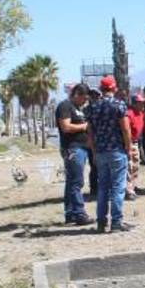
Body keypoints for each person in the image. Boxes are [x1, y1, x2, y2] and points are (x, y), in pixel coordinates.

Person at [86, 76, 133, 233]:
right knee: (118, 188)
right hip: (116, 151)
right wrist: (129, 147)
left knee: (103, 188)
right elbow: (126, 129)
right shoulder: (119, 105)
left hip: (100, 151)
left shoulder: (93, 107)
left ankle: (101, 222)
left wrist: (93, 151)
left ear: (101, 88)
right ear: (114, 88)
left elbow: (90, 132)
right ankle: (116, 222)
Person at [55, 84, 92, 225]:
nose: (85, 102)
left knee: (71, 182)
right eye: (84, 98)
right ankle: (79, 213)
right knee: (77, 182)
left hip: (81, 148)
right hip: (72, 149)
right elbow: (65, 127)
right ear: (77, 94)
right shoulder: (65, 106)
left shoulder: (78, 109)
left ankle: (70, 213)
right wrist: (84, 126)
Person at [125, 94, 145, 201]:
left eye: (143, 102)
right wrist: (128, 145)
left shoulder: (141, 114)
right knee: (129, 167)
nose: (143, 104)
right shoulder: (129, 114)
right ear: (134, 103)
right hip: (128, 143)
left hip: (136, 142)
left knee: (136, 166)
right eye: (140, 102)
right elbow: (126, 131)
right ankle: (128, 191)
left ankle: (132, 188)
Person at [84, 87, 101, 200]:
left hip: (103, 141)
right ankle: (94, 189)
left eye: (96, 95)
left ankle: (103, 188)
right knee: (94, 166)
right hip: (92, 141)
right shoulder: (85, 110)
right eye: (92, 95)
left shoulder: (103, 108)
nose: (94, 97)